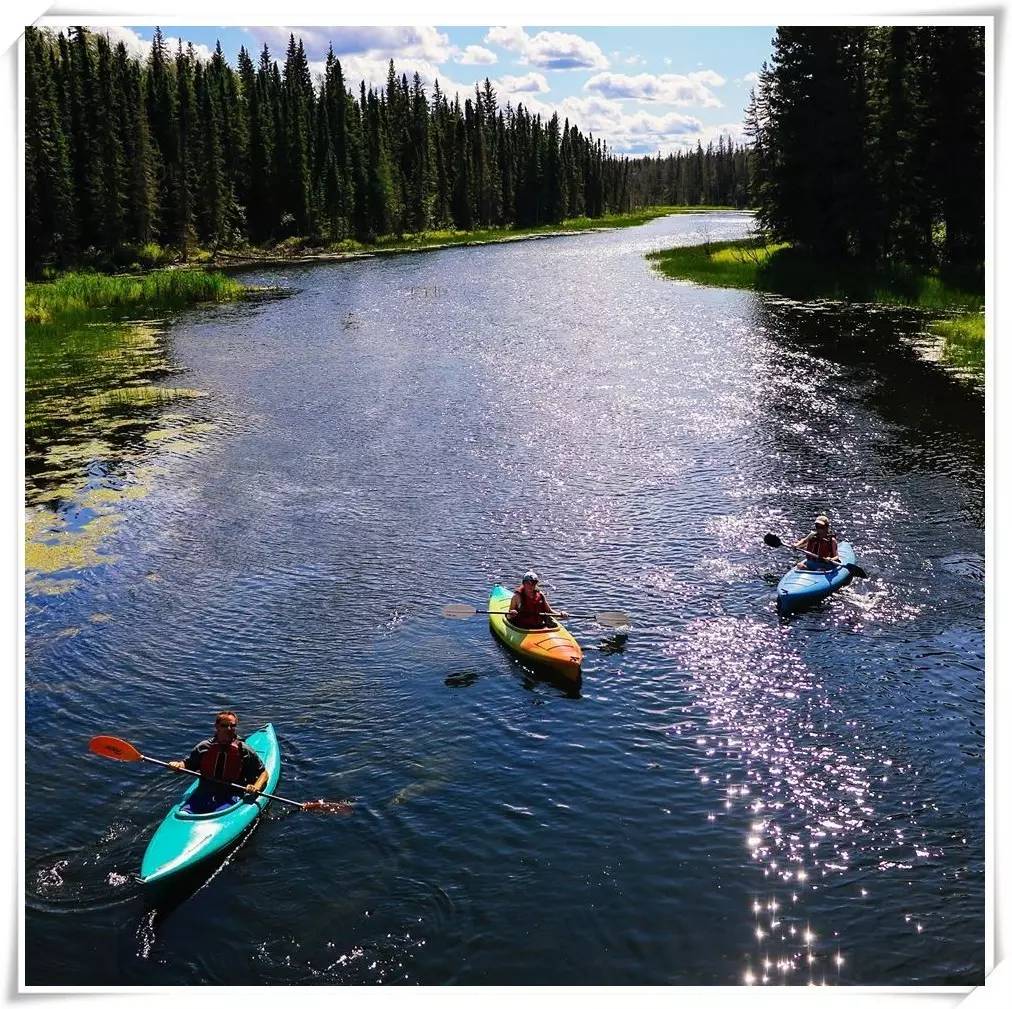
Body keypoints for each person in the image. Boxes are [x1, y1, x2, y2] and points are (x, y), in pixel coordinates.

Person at [169, 711, 268, 813]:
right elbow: (188, 764)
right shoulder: (204, 747)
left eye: (232, 726)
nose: (228, 729)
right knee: (184, 812)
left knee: (217, 812)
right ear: (217, 726)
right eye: (224, 725)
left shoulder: (244, 750)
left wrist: (256, 787)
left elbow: (263, 773)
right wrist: (178, 765)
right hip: (204, 793)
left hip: (231, 795)